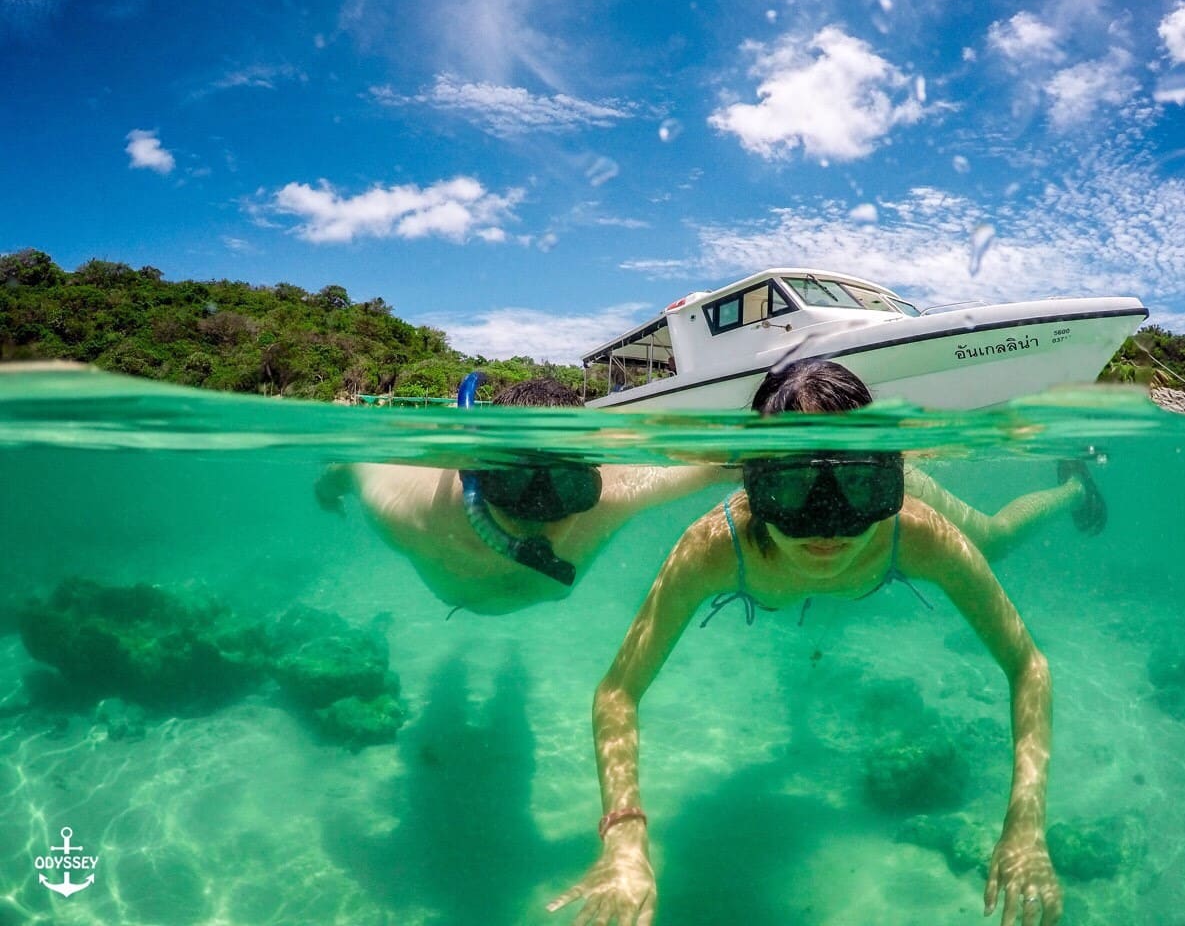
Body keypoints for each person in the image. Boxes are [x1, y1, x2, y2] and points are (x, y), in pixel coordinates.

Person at [548, 359, 1064, 926]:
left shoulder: (918, 533)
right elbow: (619, 691)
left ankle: (1070, 488)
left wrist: (1025, 826)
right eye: (792, 487)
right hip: (822, 556)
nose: (828, 529)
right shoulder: (712, 548)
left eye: (859, 486)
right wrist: (623, 841)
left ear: (889, 482)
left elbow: (1028, 663)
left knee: (995, 537)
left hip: (885, 543)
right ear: (755, 484)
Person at [314, 377, 734, 616]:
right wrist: (326, 490)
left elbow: (725, 464)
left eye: (567, 488)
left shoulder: (617, 495)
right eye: (513, 483)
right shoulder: (409, 512)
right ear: (477, 472)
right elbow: (351, 466)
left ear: (594, 479)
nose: (538, 512)